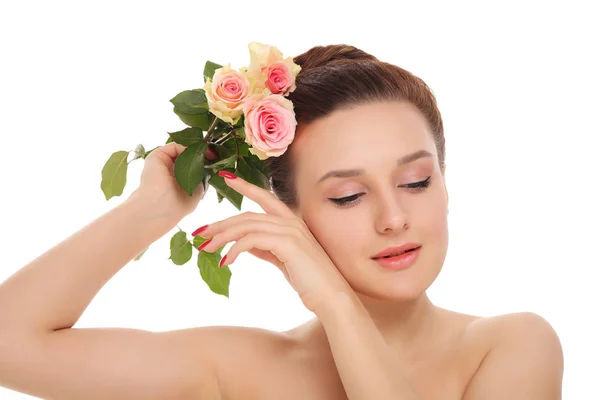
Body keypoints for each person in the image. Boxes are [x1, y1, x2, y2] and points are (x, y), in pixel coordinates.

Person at [0, 44, 564, 399]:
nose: (394, 218)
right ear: (287, 215)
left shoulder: (512, 345)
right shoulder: (237, 368)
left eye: (417, 182)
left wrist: (339, 307)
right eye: (347, 196)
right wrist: (150, 211)